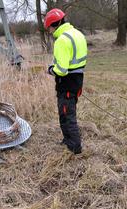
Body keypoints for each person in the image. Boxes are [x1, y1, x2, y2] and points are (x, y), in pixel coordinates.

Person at [44, 8, 88, 154]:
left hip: (67, 83)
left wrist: (50, 69)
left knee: (67, 115)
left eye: (49, 28)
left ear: (53, 25)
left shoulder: (61, 41)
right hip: (78, 79)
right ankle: (67, 140)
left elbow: (61, 70)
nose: (49, 31)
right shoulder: (77, 34)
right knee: (68, 112)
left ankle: (75, 147)